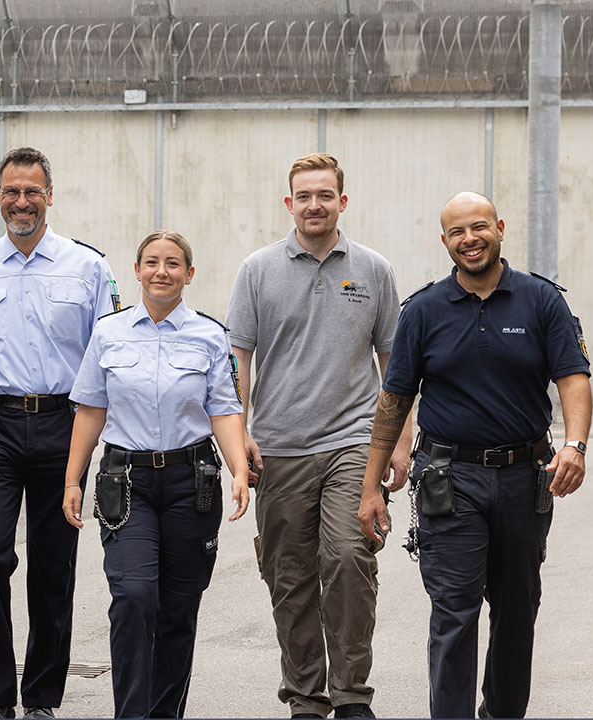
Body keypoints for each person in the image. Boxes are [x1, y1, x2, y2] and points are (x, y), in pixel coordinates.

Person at [358, 192, 592, 719]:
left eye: (479, 227)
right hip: (449, 480)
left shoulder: (542, 300)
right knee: (454, 613)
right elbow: (394, 401)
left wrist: (575, 445)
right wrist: (371, 487)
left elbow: (573, 376)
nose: (470, 239)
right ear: (444, 240)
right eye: (458, 232)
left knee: (516, 611)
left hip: (524, 478)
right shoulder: (423, 310)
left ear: (499, 228)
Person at [0, 146, 118, 720]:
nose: (21, 202)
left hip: (64, 424)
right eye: (11, 191)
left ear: (49, 196)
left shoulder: (89, 268)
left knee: (53, 566)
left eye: (32, 191)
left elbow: (108, 357)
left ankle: (40, 699)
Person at [225, 152, 411, 719]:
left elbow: (395, 365)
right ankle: (306, 696)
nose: (314, 205)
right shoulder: (257, 270)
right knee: (290, 575)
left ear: (341, 201)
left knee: (351, 557)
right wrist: (239, 433)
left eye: (324, 195)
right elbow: (238, 359)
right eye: (304, 196)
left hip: (354, 441)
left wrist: (400, 442)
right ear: (289, 203)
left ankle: (351, 693)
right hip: (278, 446)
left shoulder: (374, 269)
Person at [61, 231, 250, 718]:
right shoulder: (109, 333)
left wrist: (238, 470)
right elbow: (91, 410)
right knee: (134, 596)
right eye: (151, 262)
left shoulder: (210, 335)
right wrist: (72, 480)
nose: (161, 271)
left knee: (179, 608)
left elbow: (224, 409)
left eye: (172, 263)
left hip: (192, 481)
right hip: (127, 482)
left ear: (189, 273)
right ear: (137, 271)